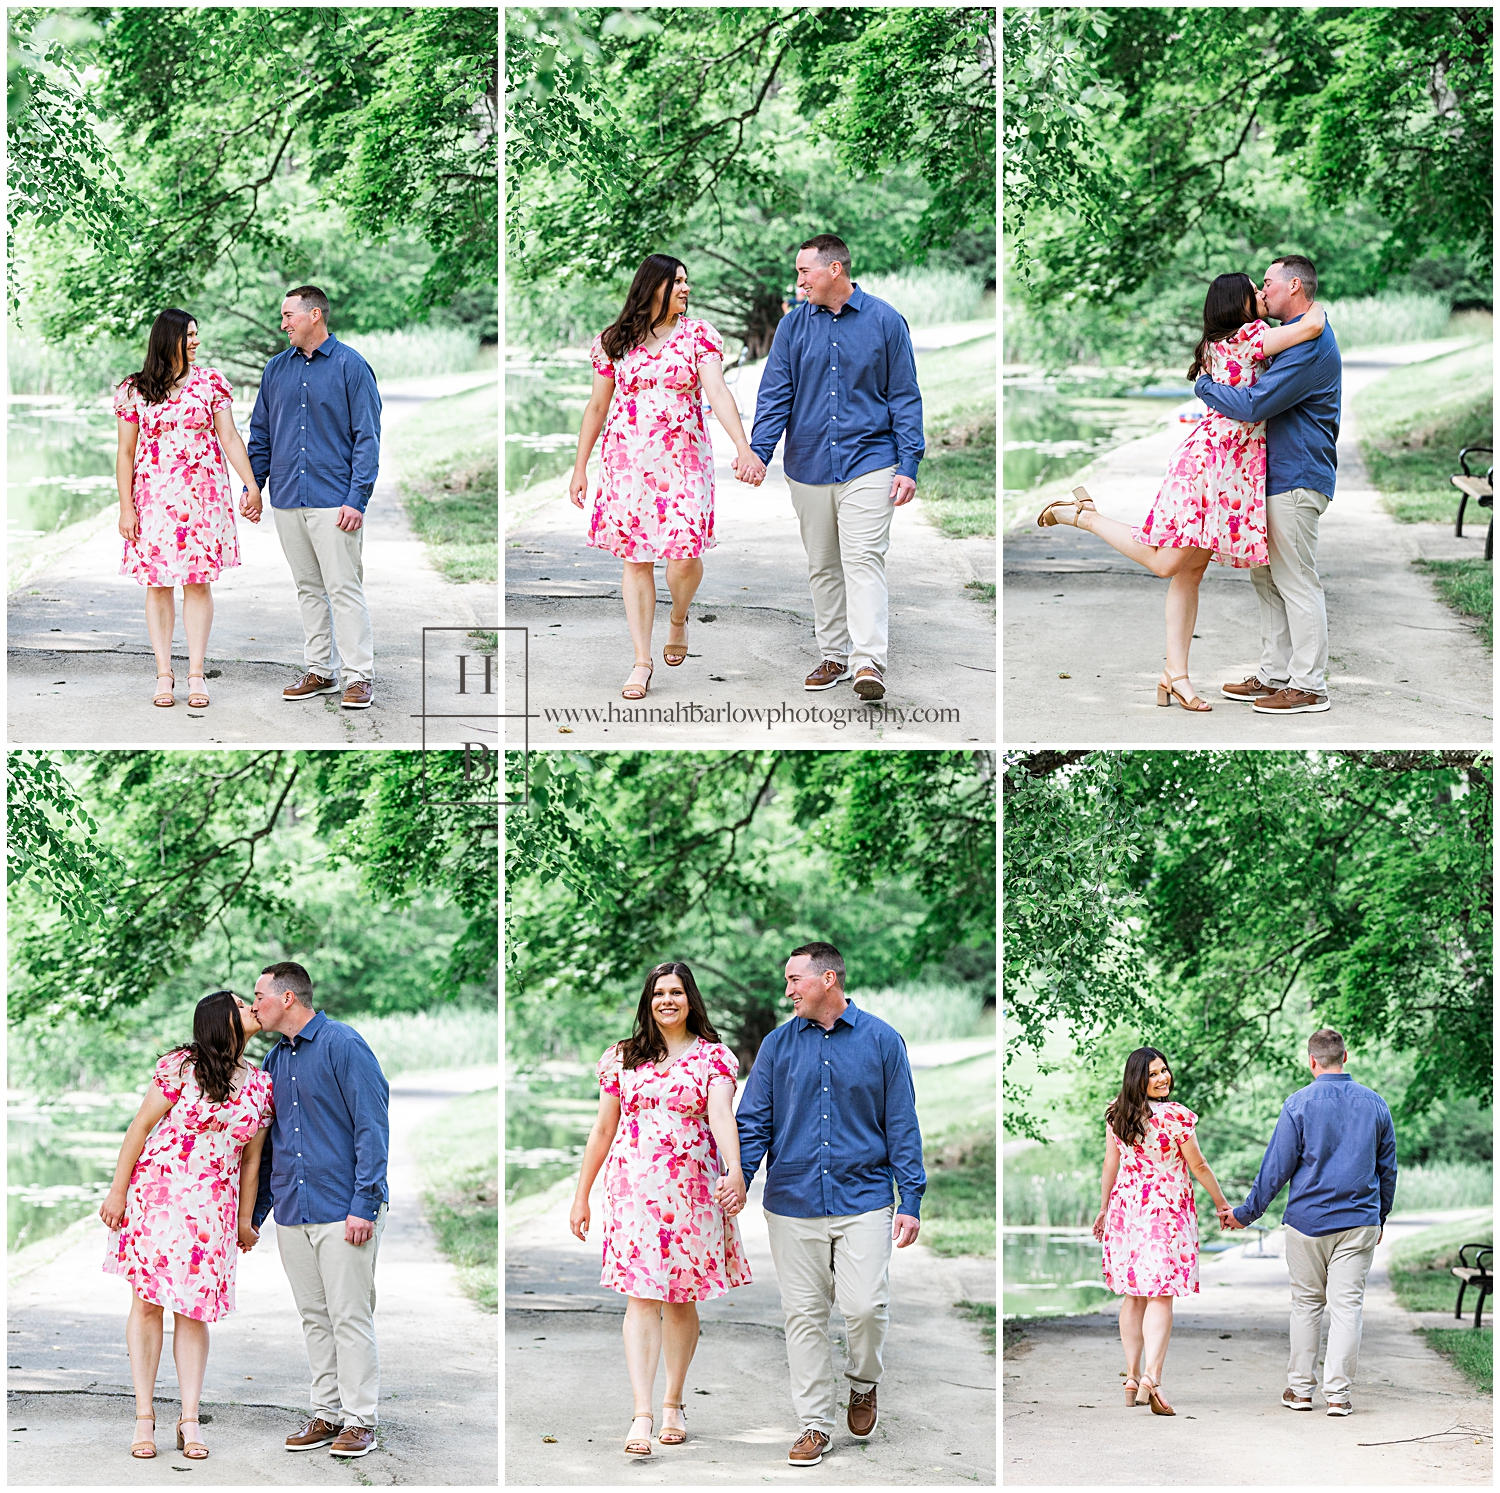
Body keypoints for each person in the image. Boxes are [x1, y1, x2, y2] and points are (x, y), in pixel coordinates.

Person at [1039, 271, 1328, 712]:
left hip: (1228, 471)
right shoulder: (1250, 336)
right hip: (1211, 467)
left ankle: (1175, 675)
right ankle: (1081, 515)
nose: (1260, 293)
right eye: (1254, 289)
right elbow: (1310, 326)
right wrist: (1318, 305)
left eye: (1264, 285)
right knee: (1166, 562)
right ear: (1239, 304)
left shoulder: (1224, 340)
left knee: (1188, 574)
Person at [725, 942, 925, 1467]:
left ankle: (863, 1382)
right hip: (792, 1201)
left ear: (828, 979)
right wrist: (741, 1179)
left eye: (795, 980)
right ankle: (814, 1424)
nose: (787, 990)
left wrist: (912, 1198)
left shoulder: (883, 1041)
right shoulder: (776, 1045)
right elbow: (753, 1123)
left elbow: (902, 1123)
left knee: (865, 1306)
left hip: (864, 1197)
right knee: (804, 1317)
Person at [570, 962, 751, 1457]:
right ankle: (642, 1414)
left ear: (691, 998)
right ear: (647, 1001)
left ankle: (673, 1402)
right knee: (641, 1297)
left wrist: (734, 1170)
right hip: (631, 1194)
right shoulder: (622, 1057)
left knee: (680, 1299)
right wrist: (582, 1194)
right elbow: (603, 1129)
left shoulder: (713, 1058)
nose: (666, 1000)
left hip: (691, 1194)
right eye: (658, 992)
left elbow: (720, 1116)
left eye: (675, 991)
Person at [570, 256, 765, 701]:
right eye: (676, 281)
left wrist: (742, 446)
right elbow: (597, 407)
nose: (685, 288)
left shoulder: (699, 335)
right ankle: (641, 661)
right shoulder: (614, 341)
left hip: (684, 462)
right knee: (635, 560)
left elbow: (717, 392)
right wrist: (581, 467)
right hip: (626, 465)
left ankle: (678, 617)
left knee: (683, 555)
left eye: (685, 281)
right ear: (652, 286)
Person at [749, 236, 925, 703]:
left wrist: (909, 462)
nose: (798, 280)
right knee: (823, 566)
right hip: (807, 462)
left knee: (863, 558)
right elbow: (775, 395)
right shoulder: (791, 328)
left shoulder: (885, 321)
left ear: (835, 270)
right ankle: (833, 654)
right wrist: (759, 452)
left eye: (804, 271)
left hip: (870, 459)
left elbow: (905, 396)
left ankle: (868, 661)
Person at [100, 990, 273, 1460]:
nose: (252, 1008)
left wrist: (244, 1220)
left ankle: (190, 1420)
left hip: (213, 1212)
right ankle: (144, 1417)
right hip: (157, 1198)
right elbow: (139, 1129)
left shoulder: (259, 1084)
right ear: (222, 1020)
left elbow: (251, 1163)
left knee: (194, 1312)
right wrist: (117, 1191)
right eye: (242, 1005)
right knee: (149, 1304)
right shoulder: (181, 1066)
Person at [249, 962, 390, 1459]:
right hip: (293, 1209)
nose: (253, 1004)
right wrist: (257, 1214)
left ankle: (360, 1421)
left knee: (350, 1315)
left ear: (288, 998)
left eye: (259, 995)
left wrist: (365, 1205)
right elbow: (269, 1148)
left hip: (343, 1207)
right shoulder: (273, 1061)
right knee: (314, 1317)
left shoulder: (342, 1044)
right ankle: (327, 1414)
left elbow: (372, 1126)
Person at [1220, 1029, 1397, 1415]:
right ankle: (1338, 1396)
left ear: (1311, 1061)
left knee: (1306, 1305)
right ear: (1345, 1057)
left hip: (1307, 1223)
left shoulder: (1298, 1104)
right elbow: (1388, 1169)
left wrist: (1245, 1214)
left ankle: (1300, 1392)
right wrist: (1380, 1217)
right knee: (1348, 1307)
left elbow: (1276, 1168)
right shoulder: (1376, 1105)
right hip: (1358, 1222)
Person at [1196, 255, 1343, 715]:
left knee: (1296, 581)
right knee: (1267, 580)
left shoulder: (1307, 346)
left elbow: (1256, 403)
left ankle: (1309, 686)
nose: (1262, 290)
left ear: (1293, 285)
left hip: (1296, 475)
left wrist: (1204, 388)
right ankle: (1274, 674)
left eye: (1267, 282)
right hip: (1270, 476)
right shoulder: (1291, 336)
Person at [115, 309, 263, 710]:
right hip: (153, 502)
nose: (196, 341)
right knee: (158, 584)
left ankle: (196, 675)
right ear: (169, 340)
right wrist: (126, 508)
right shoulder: (136, 389)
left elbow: (229, 436)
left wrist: (251, 485)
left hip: (203, 499)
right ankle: (164, 674)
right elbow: (126, 453)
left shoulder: (211, 382)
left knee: (198, 583)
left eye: (197, 334)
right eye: (189, 335)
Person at [247, 286, 382, 711]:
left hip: (334, 498)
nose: (283, 323)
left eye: (289, 315)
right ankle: (320, 671)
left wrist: (356, 499)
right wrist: (255, 486)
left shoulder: (351, 366)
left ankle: (359, 676)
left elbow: (368, 438)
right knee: (308, 587)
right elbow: (261, 433)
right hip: (288, 497)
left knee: (343, 587)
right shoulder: (275, 370)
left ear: (315, 315)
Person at [1092, 1047, 1234, 1415]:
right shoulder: (1176, 1116)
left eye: (1164, 1071)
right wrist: (1221, 1203)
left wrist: (1107, 1207)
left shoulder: (1117, 1113)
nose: (1162, 1078)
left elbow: (1113, 1162)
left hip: (1128, 1208)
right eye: (1153, 1073)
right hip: (1164, 1209)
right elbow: (1198, 1165)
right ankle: (1151, 1378)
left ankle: (1132, 1378)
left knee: (1135, 1295)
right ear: (1137, 1078)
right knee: (1159, 1294)